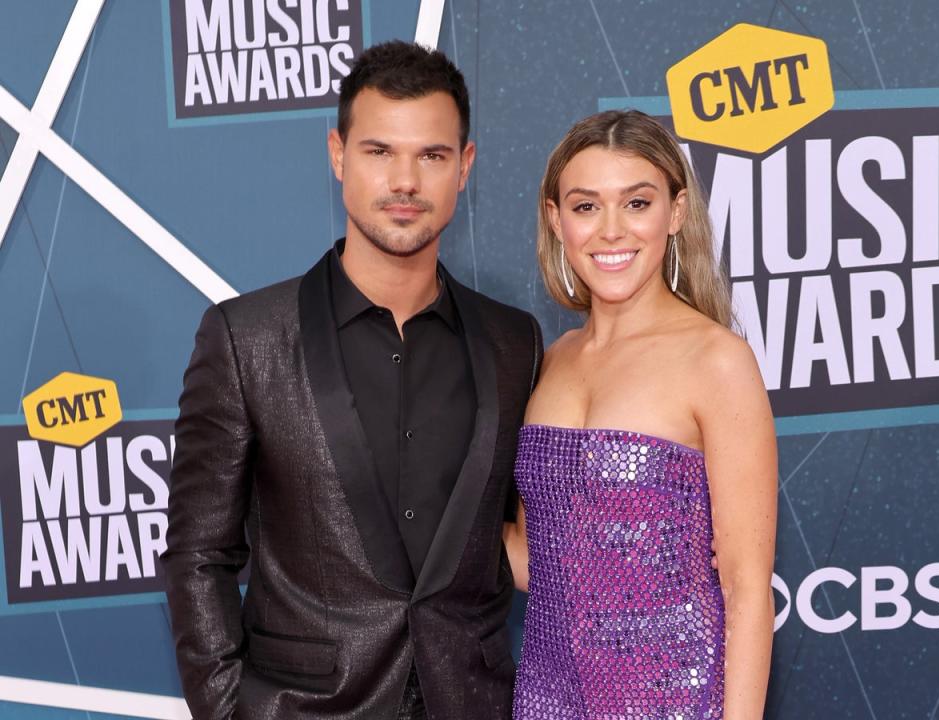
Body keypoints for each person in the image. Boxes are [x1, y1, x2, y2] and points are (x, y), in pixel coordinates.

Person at [161, 41, 542, 720]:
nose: (405, 181)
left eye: (432, 155)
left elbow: (526, 532)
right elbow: (198, 554)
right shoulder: (245, 339)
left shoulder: (514, 343)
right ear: (338, 155)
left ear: (465, 166)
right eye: (378, 152)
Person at [503, 110, 777, 719]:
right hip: (549, 698)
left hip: (676, 698)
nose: (610, 232)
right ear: (556, 219)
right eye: (585, 206)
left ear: (675, 213)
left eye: (636, 203)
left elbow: (746, 589)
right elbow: (536, 559)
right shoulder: (548, 362)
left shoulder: (717, 360)